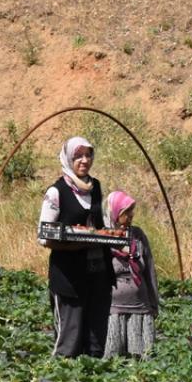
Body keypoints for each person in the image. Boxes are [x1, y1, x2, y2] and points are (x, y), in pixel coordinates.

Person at [39, 137, 115, 358]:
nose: (84, 160)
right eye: (78, 156)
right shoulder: (56, 192)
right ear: (68, 158)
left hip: (97, 273)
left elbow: (101, 226)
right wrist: (75, 244)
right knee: (69, 341)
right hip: (69, 276)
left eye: (88, 155)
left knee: (96, 338)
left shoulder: (96, 186)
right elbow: (44, 236)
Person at [102, 191, 158, 359]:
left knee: (142, 358)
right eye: (126, 211)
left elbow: (149, 269)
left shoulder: (137, 235)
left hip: (140, 307)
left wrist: (154, 303)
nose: (131, 215)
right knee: (112, 358)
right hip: (113, 308)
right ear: (115, 212)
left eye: (132, 211)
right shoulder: (102, 236)